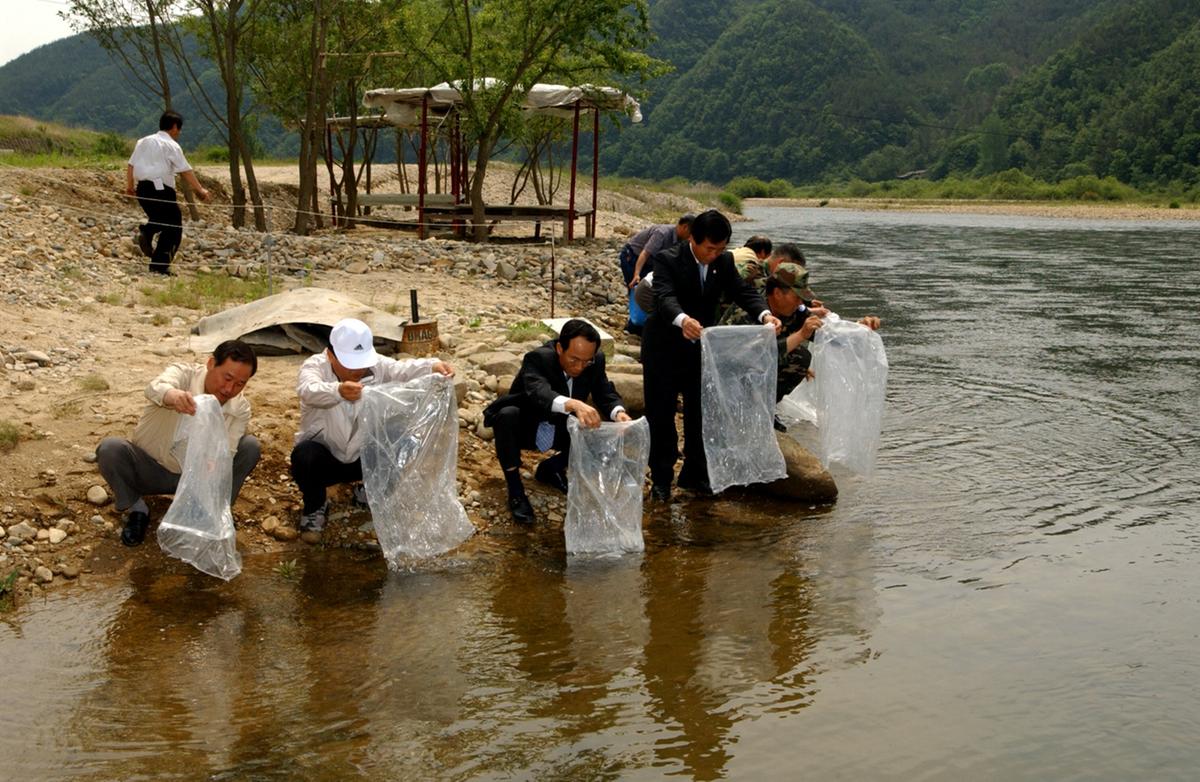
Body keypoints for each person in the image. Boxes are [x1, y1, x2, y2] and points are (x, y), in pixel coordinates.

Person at [641, 209, 782, 501]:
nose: (714, 255)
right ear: (692, 239)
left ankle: (694, 474)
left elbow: (742, 291)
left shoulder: (724, 261)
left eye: (720, 249)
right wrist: (683, 320)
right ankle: (662, 479)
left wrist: (765, 314)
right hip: (664, 347)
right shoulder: (667, 259)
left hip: (700, 348)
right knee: (661, 415)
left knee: (700, 412)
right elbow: (665, 297)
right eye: (709, 249)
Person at [290, 318, 455, 537]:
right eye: (350, 363)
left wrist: (431, 366)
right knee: (304, 456)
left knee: (405, 439)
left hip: (363, 458)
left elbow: (400, 369)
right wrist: (337, 391)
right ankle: (315, 505)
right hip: (327, 458)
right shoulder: (315, 366)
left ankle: (368, 492)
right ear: (331, 355)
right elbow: (308, 389)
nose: (357, 370)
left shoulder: (377, 365)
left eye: (361, 362)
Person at [96, 340, 260, 547]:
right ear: (211, 364)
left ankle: (212, 512)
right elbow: (155, 387)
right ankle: (137, 509)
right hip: (152, 469)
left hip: (197, 479)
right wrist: (172, 396)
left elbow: (229, 450)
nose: (229, 389)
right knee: (110, 449)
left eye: (240, 384)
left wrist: (216, 462)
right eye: (227, 378)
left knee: (250, 447)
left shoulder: (240, 408)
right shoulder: (184, 374)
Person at [483, 319, 630, 524]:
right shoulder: (538, 358)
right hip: (528, 424)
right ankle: (515, 490)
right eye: (574, 360)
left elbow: (604, 391)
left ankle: (551, 468)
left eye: (586, 361)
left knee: (602, 431)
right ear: (560, 348)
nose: (580, 367)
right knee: (506, 416)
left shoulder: (595, 360)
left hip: (562, 427)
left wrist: (618, 413)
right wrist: (573, 404)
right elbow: (539, 391)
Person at [125, 110, 211, 275]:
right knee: (174, 227)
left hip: (142, 189)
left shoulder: (142, 141)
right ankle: (157, 258)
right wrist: (200, 189)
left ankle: (154, 251)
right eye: (179, 129)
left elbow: (131, 165)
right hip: (161, 189)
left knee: (163, 221)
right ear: (174, 127)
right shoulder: (171, 145)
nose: (179, 132)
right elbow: (185, 170)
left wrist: (130, 186)